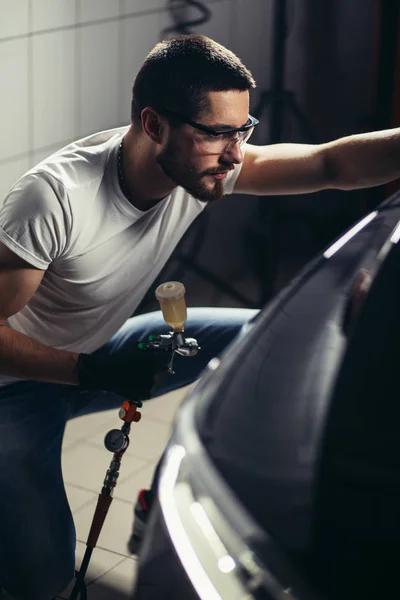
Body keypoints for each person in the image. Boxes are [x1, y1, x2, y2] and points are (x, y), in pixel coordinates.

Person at [1, 33, 400, 600]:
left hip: (94, 352)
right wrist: (90, 375)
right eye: (217, 133)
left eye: (243, 131)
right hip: (13, 388)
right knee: (42, 579)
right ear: (154, 124)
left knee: (266, 334)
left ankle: (166, 493)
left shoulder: (200, 166)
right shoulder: (54, 200)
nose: (235, 153)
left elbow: (329, 162)